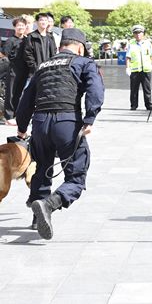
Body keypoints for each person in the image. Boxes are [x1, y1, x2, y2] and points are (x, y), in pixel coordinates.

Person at [14, 28, 104, 240]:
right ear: (80, 47)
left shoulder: (43, 66)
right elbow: (95, 90)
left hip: (40, 123)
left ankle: (37, 216)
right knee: (76, 176)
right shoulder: (84, 62)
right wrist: (90, 118)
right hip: (67, 122)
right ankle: (48, 205)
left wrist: (21, 127)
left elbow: (26, 99)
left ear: (60, 45)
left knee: (41, 169)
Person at [2, 16, 28, 121]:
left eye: (22, 25)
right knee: (10, 94)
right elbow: (4, 55)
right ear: (14, 27)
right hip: (13, 70)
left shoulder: (27, 40)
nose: (20, 27)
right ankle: (8, 116)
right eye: (18, 25)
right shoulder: (10, 40)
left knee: (19, 94)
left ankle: (16, 115)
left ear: (25, 27)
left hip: (24, 71)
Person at [126, 25, 152, 111]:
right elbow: (128, 57)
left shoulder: (148, 43)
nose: (138, 34)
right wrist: (128, 68)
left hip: (146, 69)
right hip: (135, 70)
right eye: (136, 33)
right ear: (133, 34)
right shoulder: (131, 44)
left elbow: (151, 55)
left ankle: (149, 105)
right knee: (134, 89)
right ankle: (134, 105)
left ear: (143, 34)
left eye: (140, 33)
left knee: (147, 89)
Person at [23, 13, 57, 77]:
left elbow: (54, 52)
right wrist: (35, 67)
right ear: (37, 22)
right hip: (35, 72)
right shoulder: (31, 37)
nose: (44, 22)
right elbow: (27, 54)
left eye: (46, 20)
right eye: (41, 20)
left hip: (48, 71)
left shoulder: (50, 37)